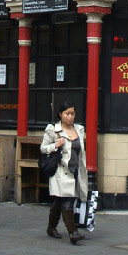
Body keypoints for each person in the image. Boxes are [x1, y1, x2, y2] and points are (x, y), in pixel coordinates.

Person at [40, 101, 87, 244]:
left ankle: (51, 227)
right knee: (67, 201)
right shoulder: (53, 130)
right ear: (60, 114)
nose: (70, 117)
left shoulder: (79, 130)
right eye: (67, 113)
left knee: (58, 201)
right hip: (60, 171)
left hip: (75, 171)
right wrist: (56, 145)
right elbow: (43, 148)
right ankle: (73, 233)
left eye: (72, 113)